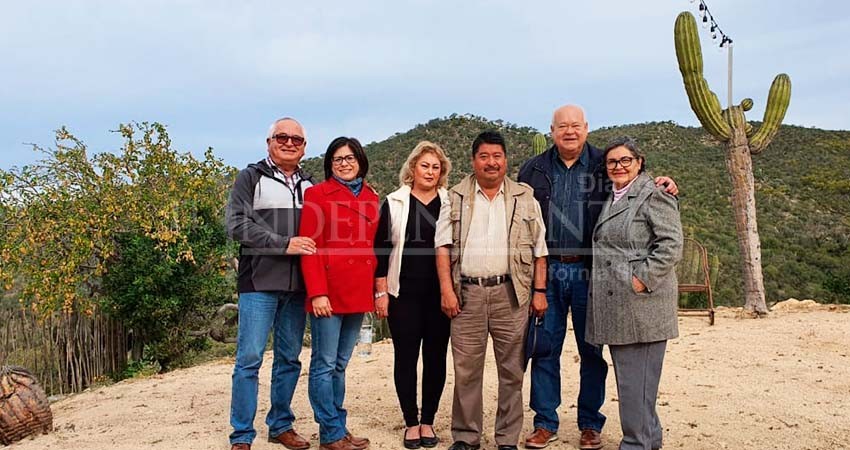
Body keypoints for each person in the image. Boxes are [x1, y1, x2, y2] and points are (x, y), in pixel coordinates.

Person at [518, 105, 678, 450]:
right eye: (563, 126)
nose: (569, 131)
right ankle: (545, 422)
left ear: (586, 128)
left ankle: (591, 423)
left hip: (595, 274)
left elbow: (633, 186)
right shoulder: (533, 169)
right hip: (548, 269)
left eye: (576, 125)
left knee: (593, 351)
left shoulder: (603, 164)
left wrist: (662, 182)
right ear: (551, 130)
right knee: (545, 349)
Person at [435, 131, 549, 450]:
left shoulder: (524, 197)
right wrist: (447, 290)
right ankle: (466, 436)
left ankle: (507, 438)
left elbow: (540, 250)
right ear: (473, 160)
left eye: (497, 156)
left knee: (512, 371)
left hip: (511, 295)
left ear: (505, 160)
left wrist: (539, 291)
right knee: (466, 371)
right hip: (466, 294)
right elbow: (442, 246)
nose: (491, 162)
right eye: (484, 156)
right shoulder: (454, 196)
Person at [226, 117, 318, 450]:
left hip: (298, 287)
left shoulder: (311, 185)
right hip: (258, 283)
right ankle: (241, 435)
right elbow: (236, 224)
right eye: (282, 137)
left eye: (297, 139)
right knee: (249, 359)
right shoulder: (250, 178)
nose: (289, 142)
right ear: (269, 142)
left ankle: (280, 425)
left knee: (289, 359)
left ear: (305, 147)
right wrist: (284, 243)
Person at [588, 136, 683, 450]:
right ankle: (649, 440)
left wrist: (640, 280)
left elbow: (670, 245)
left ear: (639, 162)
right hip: (619, 306)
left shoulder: (653, 193)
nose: (618, 166)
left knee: (634, 385)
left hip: (642, 307)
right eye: (612, 161)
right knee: (637, 386)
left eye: (625, 160)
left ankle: (635, 444)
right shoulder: (615, 196)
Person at [299, 136, 380, 450]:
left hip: (358, 292)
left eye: (350, 158)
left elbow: (374, 245)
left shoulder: (372, 197)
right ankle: (330, 433)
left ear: (360, 160)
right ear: (329, 164)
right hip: (328, 294)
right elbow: (309, 247)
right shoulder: (317, 194)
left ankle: (338, 428)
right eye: (338, 159)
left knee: (341, 363)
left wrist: (377, 289)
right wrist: (318, 292)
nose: (345, 163)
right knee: (324, 363)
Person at [373, 141, 453, 449]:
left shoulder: (450, 202)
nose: (430, 172)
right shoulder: (394, 202)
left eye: (436, 167)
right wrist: (380, 292)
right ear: (413, 168)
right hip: (401, 292)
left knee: (436, 358)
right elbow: (381, 249)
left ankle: (428, 421)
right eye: (425, 166)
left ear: (442, 171)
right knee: (405, 358)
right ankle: (410, 422)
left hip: (441, 294)